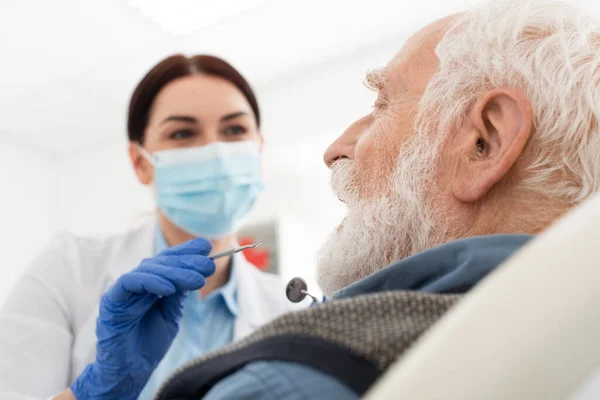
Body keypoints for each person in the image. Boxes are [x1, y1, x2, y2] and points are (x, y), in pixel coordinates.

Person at [73, 0, 599, 399]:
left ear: (483, 142)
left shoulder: (288, 380)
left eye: (381, 104)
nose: (334, 150)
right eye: (183, 135)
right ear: (140, 161)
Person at [0, 55, 302, 400]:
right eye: (183, 133)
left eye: (235, 130)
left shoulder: (286, 312)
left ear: (258, 148)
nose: (216, 151)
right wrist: (96, 390)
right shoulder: (69, 268)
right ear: (141, 163)